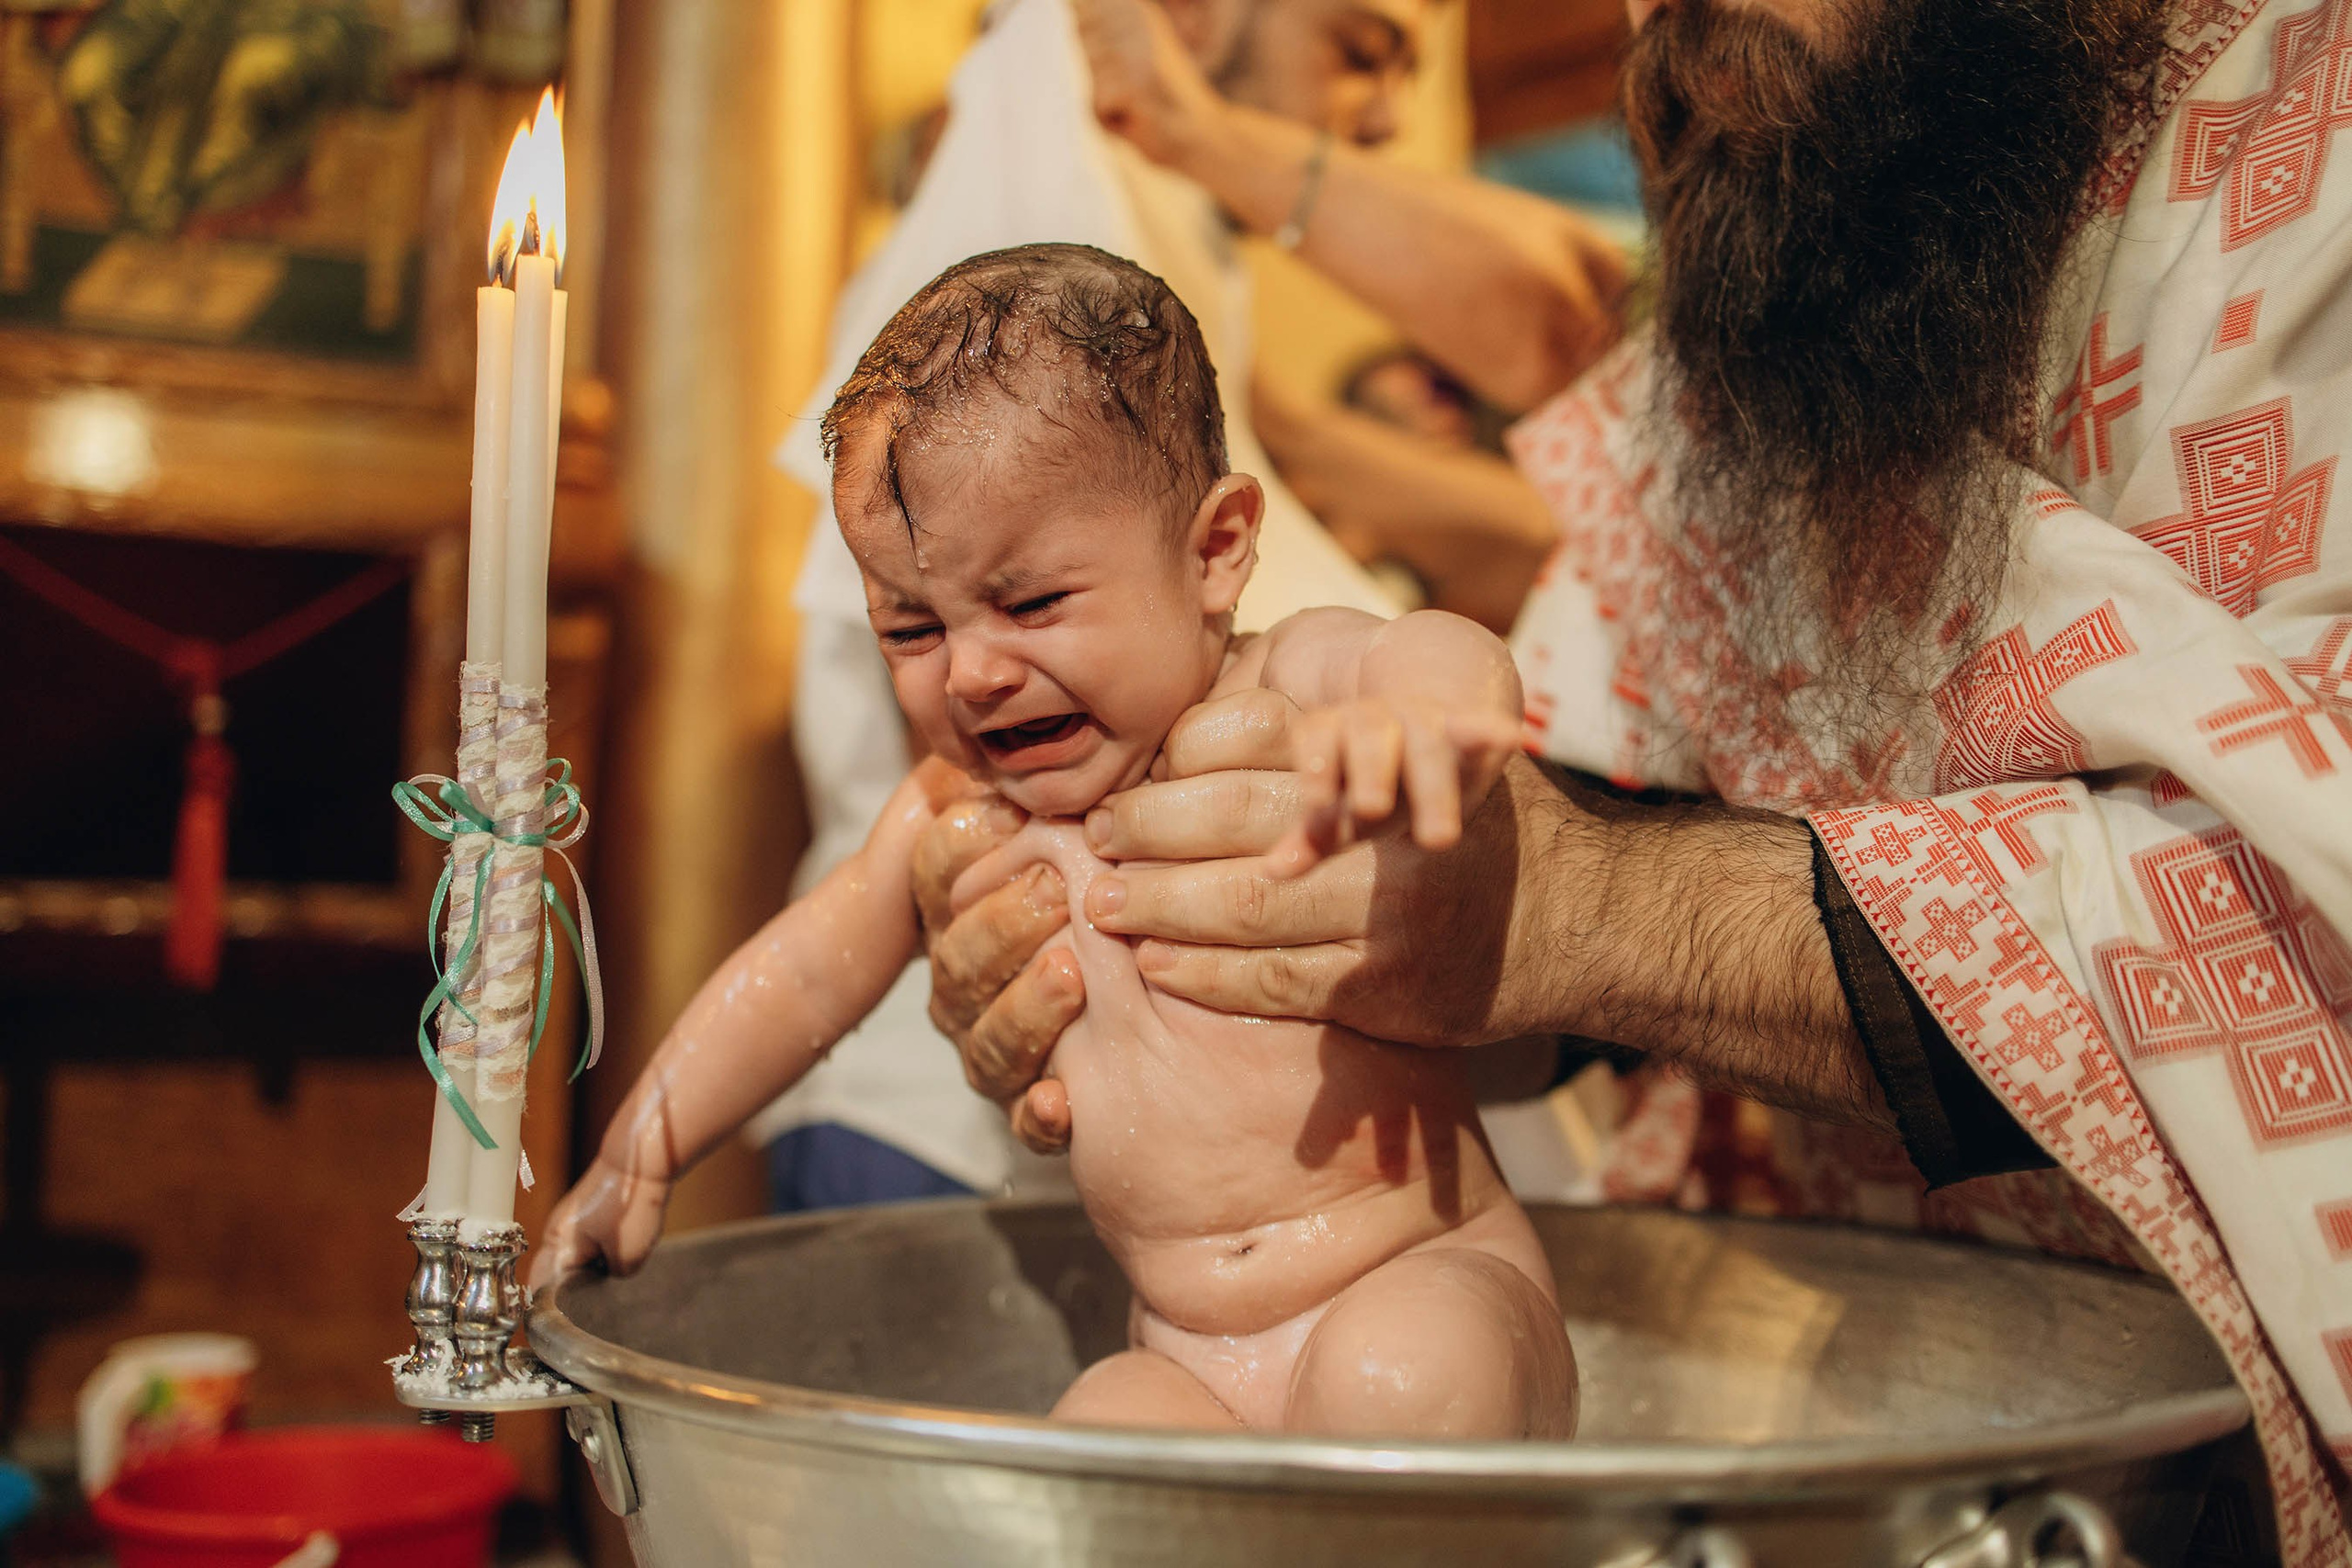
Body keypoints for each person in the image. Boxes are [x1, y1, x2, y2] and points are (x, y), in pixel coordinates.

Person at [909, 0, 2352, 1558]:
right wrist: (1210, 979)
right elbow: (1603, 832)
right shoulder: (1809, 205)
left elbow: (2291, 887)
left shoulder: (2306, 149)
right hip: (1833, 1402)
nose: (1655, 25)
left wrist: (1573, 906)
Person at [537, 244, 1578, 1438]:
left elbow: (1424, 646)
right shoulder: (958, 813)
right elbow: (804, 973)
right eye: (912, 626)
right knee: (1103, 1432)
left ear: (1215, 551)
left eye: (1032, 604)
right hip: (1191, 1352)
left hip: (1422, 1274)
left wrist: (1422, 718)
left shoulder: (1275, 689)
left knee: (1394, 1380)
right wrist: (645, 1142)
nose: (974, 672)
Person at [759, 0, 1626, 1213]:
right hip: (977, 1146)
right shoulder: (1034, 271)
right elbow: (988, 818)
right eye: (1360, 50)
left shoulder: (1173, 251)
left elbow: (1578, 329)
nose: (1385, 120)